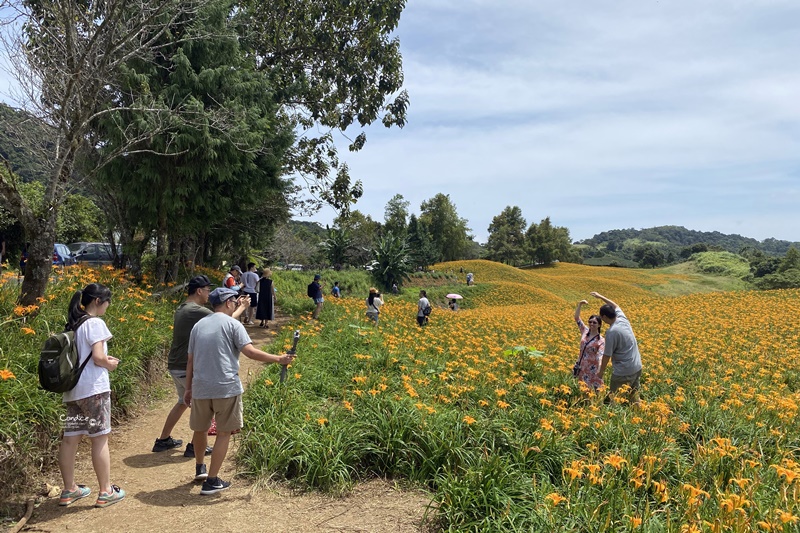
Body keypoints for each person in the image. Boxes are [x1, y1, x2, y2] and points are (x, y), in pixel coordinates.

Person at [184, 287, 295, 495]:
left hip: (200, 387)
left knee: (200, 429)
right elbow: (250, 352)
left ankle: (200, 467)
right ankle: (212, 481)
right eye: (234, 301)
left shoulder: (198, 326)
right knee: (224, 432)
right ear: (227, 303)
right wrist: (279, 359)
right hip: (225, 387)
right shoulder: (233, 324)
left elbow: (190, 360)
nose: (236, 303)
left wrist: (188, 388)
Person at [153, 275, 247, 456]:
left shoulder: (182, 307)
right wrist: (242, 307)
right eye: (207, 290)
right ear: (198, 291)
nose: (208, 294)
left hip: (176, 364)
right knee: (206, 405)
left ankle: (163, 440)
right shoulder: (197, 311)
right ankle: (194, 446)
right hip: (186, 366)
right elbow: (226, 319)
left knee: (183, 402)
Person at [58, 283, 125, 508]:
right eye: (107, 302)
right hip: (94, 391)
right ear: (98, 301)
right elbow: (98, 357)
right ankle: (106, 491)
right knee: (99, 439)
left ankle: (69, 490)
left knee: (70, 440)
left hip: (73, 391)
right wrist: (110, 363)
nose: (108, 306)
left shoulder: (74, 324)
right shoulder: (95, 322)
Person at [591, 292, 642, 406]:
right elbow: (615, 305)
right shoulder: (622, 319)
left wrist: (601, 372)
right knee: (634, 396)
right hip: (637, 366)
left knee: (613, 399)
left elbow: (607, 355)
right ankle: (642, 414)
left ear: (604, 317)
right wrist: (600, 296)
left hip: (623, 371)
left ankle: (612, 414)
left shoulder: (611, 332)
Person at [573, 300, 604, 391]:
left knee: (592, 389)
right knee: (581, 387)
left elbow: (601, 354)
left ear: (599, 325)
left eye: (594, 323)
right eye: (590, 322)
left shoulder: (601, 340)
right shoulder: (585, 331)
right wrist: (579, 305)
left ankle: (594, 402)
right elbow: (577, 318)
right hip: (582, 365)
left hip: (592, 368)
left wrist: (600, 368)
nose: (591, 324)